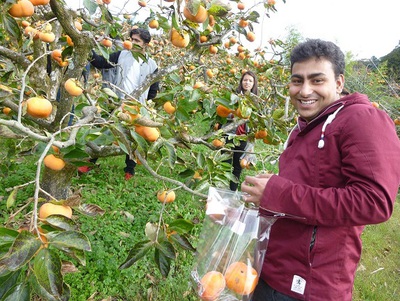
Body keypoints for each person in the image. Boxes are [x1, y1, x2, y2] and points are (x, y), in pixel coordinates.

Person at [241, 39, 400, 301]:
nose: (304, 90)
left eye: (317, 80)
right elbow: (307, 187)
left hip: (310, 285)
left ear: (338, 83)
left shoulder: (361, 120)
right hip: (274, 269)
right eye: (297, 80)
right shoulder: (306, 125)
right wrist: (265, 195)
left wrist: (278, 193)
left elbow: (374, 202)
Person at [78, 28, 159, 180]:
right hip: (120, 102)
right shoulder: (121, 55)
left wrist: (147, 103)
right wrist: (88, 48)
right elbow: (102, 62)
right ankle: (90, 161)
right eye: (132, 39)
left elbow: (154, 88)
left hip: (138, 106)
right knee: (108, 131)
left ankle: (130, 169)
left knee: (134, 136)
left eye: (137, 41)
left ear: (146, 44)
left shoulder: (152, 64)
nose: (133, 43)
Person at [222, 70, 258, 191]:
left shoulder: (255, 101)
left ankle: (232, 192)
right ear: (241, 81)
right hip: (229, 134)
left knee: (237, 167)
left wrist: (251, 144)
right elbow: (223, 112)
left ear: (253, 84)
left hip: (243, 137)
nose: (247, 83)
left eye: (250, 81)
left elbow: (256, 124)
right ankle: (220, 190)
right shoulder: (234, 96)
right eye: (245, 80)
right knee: (224, 163)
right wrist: (234, 115)